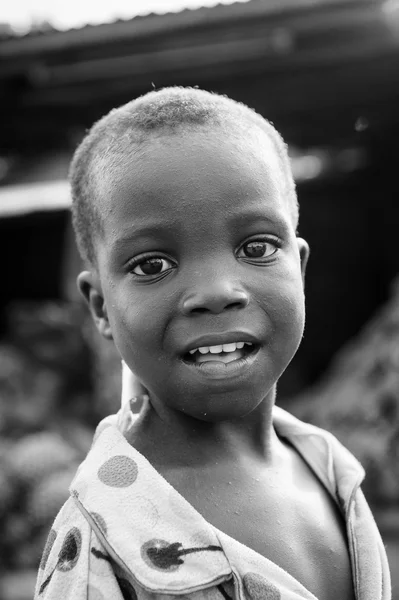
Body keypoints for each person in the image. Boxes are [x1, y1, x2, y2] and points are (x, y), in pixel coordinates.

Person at [34, 87, 391, 600]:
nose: (218, 292)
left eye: (257, 247)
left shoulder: (332, 469)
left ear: (301, 268)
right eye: (152, 265)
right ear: (100, 307)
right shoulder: (98, 551)